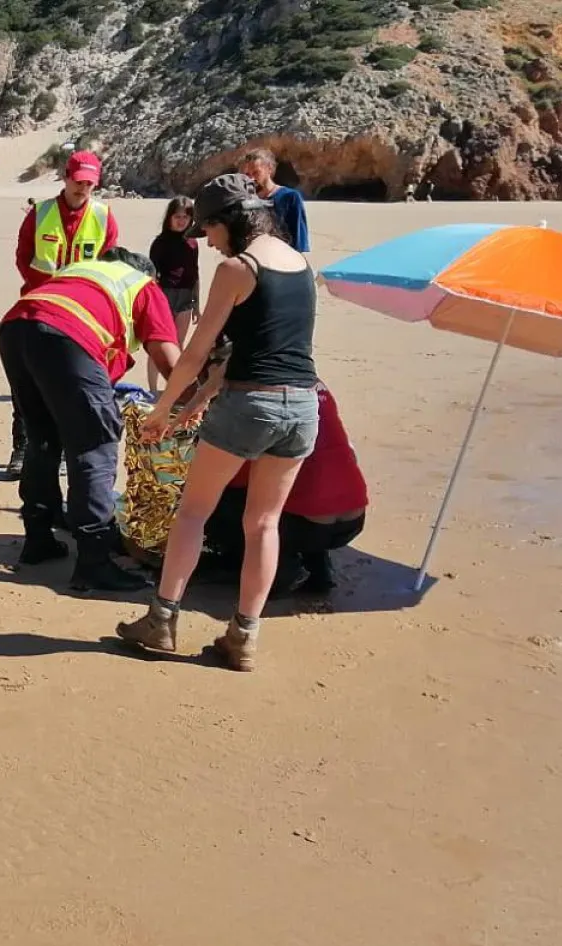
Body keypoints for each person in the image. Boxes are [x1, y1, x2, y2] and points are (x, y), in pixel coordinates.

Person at [115, 172, 321, 671]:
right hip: (302, 406)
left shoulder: (237, 268)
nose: (207, 241)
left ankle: (161, 620)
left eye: (208, 228)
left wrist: (163, 410)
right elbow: (260, 349)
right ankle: (243, 638)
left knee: (192, 512)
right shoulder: (300, 264)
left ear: (232, 221)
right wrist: (199, 402)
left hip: (250, 405)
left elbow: (195, 353)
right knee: (264, 523)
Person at [0, 246, 184, 591]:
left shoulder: (81, 274)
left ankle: (38, 538)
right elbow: (168, 359)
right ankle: (94, 561)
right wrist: (196, 402)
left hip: (15, 328)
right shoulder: (143, 285)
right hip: (66, 333)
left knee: (43, 439)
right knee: (95, 445)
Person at [4, 150, 122, 477]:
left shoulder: (103, 216)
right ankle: (22, 449)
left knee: (73, 386)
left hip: (82, 317)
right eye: (78, 181)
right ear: (66, 177)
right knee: (28, 385)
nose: (83, 188)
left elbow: (109, 264)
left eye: (89, 183)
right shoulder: (40, 213)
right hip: (38, 309)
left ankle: (69, 452)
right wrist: (48, 291)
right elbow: (24, 257)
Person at [201, 382, 367, 594]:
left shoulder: (257, 399)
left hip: (308, 526)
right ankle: (318, 566)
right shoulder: (318, 387)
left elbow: (237, 479)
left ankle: (279, 571)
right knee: (305, 485)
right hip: (353, 517)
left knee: (221, 500)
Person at [147, 195, 201, 391]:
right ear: (169, 217)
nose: (181, 221)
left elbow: (195, 273)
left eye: (186, 217)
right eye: (177, 216)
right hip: (164, 295)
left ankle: (174, 389)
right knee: (159, 345)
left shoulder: (192, 243)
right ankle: (153, 389)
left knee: (178, 345)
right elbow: (151, 275)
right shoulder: (160, 243)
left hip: (186, 296)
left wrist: (197, 304)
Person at [239, 147, 309, 253]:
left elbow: (299, 240)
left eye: (256, 172)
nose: (251, 178)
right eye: (248, 174)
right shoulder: (248, 200)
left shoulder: (289, 197)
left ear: (269, 169)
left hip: (283, 256)